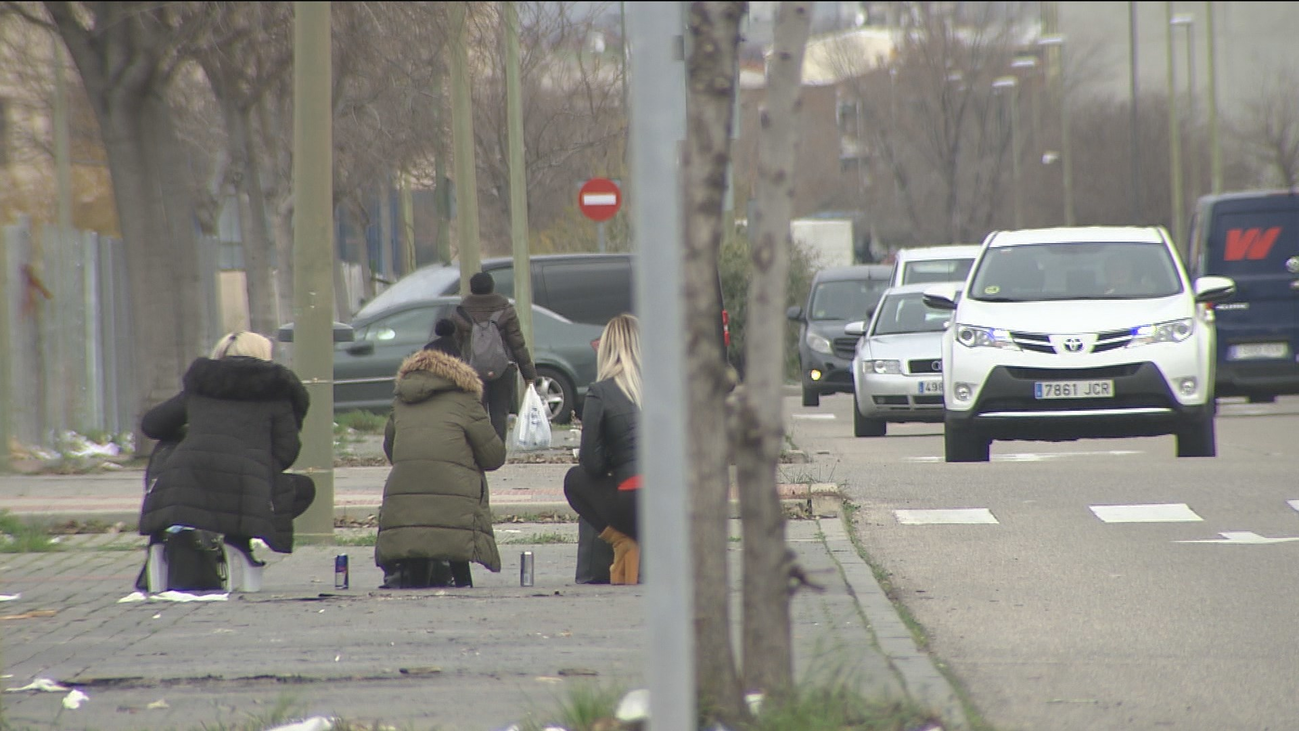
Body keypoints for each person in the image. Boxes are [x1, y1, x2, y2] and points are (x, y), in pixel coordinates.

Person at [137, 331, 315, 589]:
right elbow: (286, 451)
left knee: (193, 471)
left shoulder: (202, 386)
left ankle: (167, 560)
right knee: (301, 488)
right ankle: (238, 542)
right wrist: (258, 467)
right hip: (245, 491)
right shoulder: (277, 391)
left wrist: (191, 433)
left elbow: (152, 425)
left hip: (186, 482)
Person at [374, 340, 506, 589]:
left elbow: (393, 452)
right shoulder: (466, 401)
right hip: (456, 508)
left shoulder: (401, 403)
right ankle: (462, 578)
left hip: (405, 507)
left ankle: (417, 577)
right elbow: (494, 457)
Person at [563, 314, 642, 584]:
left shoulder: (600, 391)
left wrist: (611, 459)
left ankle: (622, 542)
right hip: (669, 503)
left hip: (632, 502)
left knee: (574, 480)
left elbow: (591, 464)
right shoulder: (666, 388)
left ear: (605, 350)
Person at [451, 272, 538, 441]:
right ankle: (498, 452)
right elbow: (517, 343)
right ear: (492, 287)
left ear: (472, 288)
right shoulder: (505, 310)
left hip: (471, 371)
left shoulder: (460, 312)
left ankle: (481, 450)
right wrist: (529, 375)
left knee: (477, 413)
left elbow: (456, 345)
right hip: (504, 368)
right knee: (500, 413)